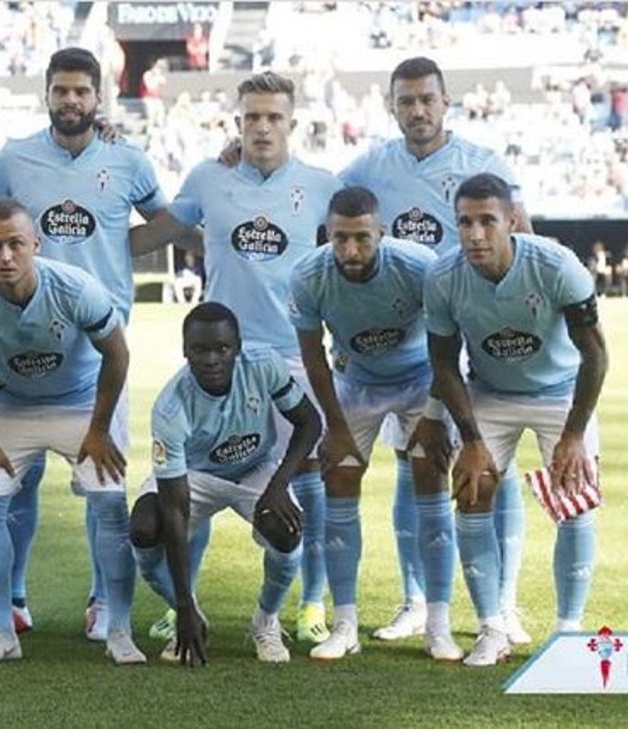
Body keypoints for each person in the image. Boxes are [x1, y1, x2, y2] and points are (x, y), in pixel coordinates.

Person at [0, 47, 190, 645]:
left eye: (81, 91)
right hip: (21, 338)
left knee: (101, 482)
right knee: (17, 479)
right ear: (46, 95)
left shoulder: (127, 159)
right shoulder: (15, 158)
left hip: (98, 343)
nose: (71, 100)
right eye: (61, 90)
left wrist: (117, 243)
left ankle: (102, 602)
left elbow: (165, 221)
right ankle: (13, 601)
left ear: (98, 97)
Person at [133, 70, 344, 645]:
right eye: (252, 117)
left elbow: (355, 246)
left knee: (307, 480)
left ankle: (310, 604)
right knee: (195, 473)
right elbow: (155, 232)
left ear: (293, 122)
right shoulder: (209, 178)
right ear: (237, 122)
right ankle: (185, 600)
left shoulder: (321, 186)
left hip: (291, 354)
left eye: (273, 117)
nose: (262, 127)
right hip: (220, 358)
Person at [338, 56, 535, 645]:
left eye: (427, 99)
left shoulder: (482, 163)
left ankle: (504, 603)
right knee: (413, 463)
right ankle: (416, 600)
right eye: (406, 101)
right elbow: (322, 207)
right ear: (391, 106)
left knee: (492, 462)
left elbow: (523, 238)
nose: (418, 110)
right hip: (411, 345)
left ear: (446, 102)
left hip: (477, 336)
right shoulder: (369, 167)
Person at [0, 199, 142, 666]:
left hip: (82, 403)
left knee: (110, 505)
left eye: (16, 244)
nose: (5, 256)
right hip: (12, 405)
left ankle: (120, 630)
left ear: (36, 244)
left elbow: (117, 354)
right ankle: (1, 631)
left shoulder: (76, 287)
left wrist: (99, 429)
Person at [425, 172, 607, 666]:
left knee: (575, 501)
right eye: (465, 222)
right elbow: (443, 363)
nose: (475, 234)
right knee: (473, 492)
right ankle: (491, 629)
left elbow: (595, 355)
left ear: (512, 221)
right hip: (491, 393)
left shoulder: (556, 266)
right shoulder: (443, 278)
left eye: (487, 221)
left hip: (560, 392)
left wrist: (574, 435)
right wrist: (470, 440)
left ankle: (568, 632)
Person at [287, 186, 461, 662]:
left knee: (431, 474)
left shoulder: (419, 266)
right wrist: (335, 425)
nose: (350, 250)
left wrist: (433, 414)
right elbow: (313, 357)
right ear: (327, 234)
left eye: (362, 238)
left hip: (421, 378)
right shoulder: (308, 276)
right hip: (356, 381)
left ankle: (438, 624)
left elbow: (448, 345)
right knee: (340, 477)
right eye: (340, 238)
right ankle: (345, 625)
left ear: (381, 233)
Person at [130, 302, 321, 665]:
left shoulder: (264, 365)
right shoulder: (170, 408)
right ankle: (190, 616)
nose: (212, 360)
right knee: (144, 529)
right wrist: (183, 607)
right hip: (194, 474)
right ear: (185, 351)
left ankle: (265, 621)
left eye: (222, 348)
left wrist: (278, 486)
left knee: (286, 530)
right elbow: (175, 509)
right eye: (200, 350)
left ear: (238, 347)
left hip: (256, 467)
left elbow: (309, 422)